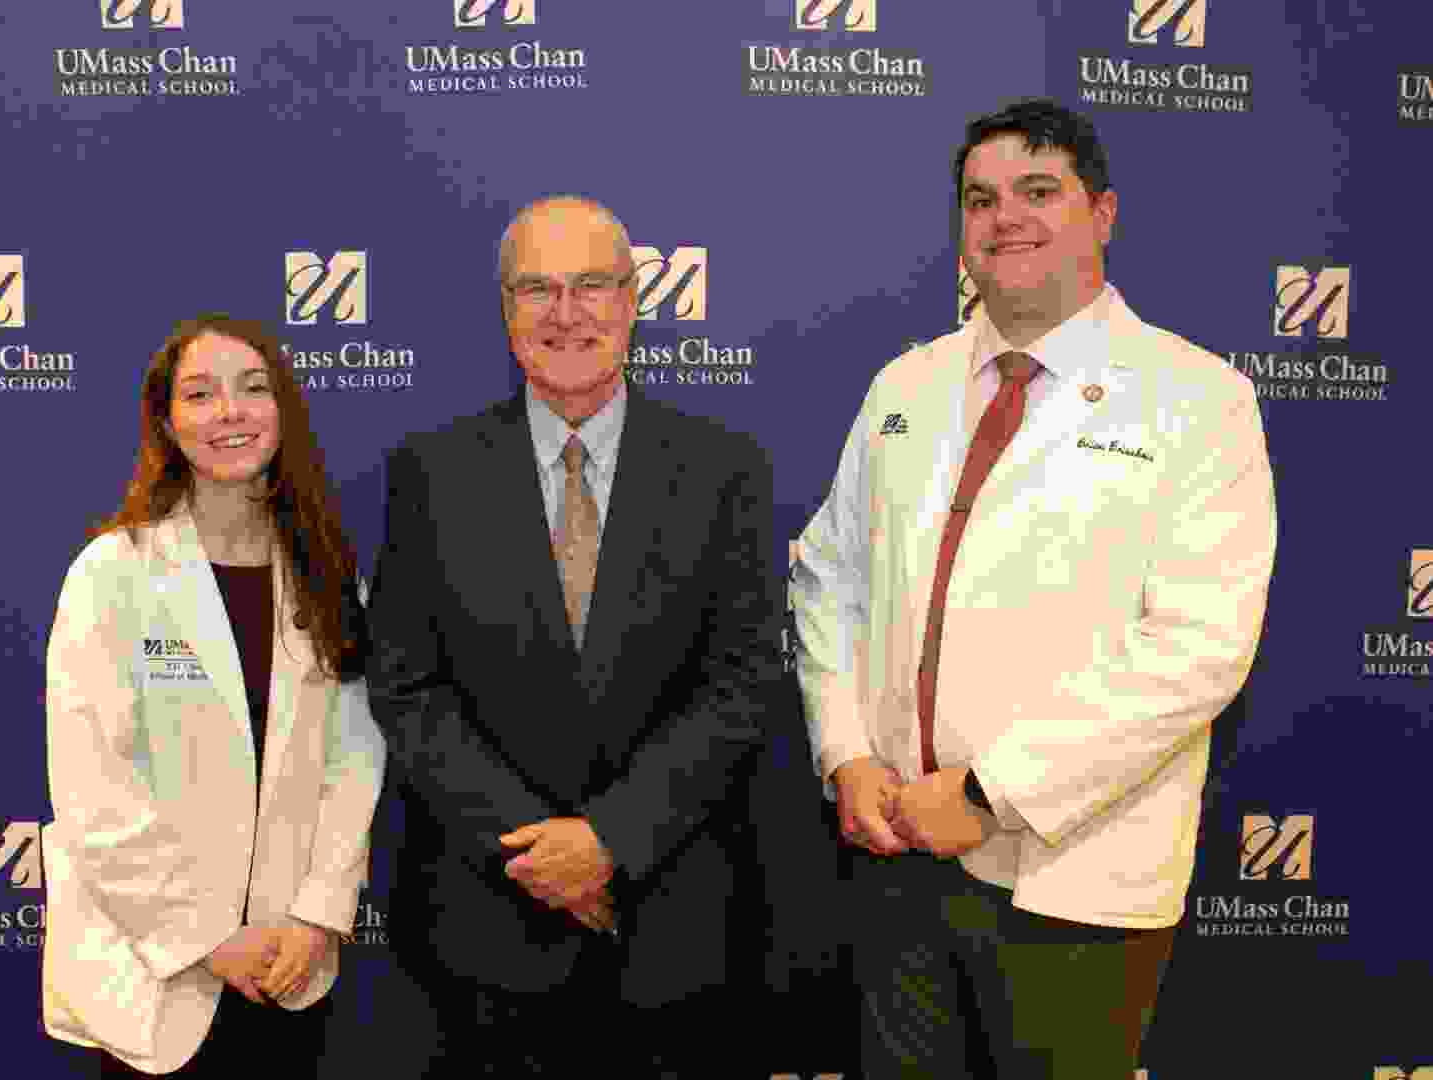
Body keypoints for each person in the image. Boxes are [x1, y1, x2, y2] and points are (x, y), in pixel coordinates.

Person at [791, 99, 1277, 1078]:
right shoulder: (905, 389)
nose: (1004, 217)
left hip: (1074, 887)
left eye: (1038, 191)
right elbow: (826, 579)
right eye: (981, 198)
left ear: (1102, 213)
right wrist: (846, 755)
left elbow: (1194, 650)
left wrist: (987, 794)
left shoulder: (1200, 400)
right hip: (897, 867)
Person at [365, 195, 783, 1077]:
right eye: (537, 289)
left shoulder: (725, 471)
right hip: (484, 930)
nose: (567, 313)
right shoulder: (429, 474)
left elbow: (741, 682)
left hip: (675, 930)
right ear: (505, 310)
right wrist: (536, 847)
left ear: (634, 300)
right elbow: (408, 686)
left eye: (593, 285)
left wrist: (611, 840)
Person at [41, 314, 386, 1075]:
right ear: (167, 422)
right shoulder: (114, 573)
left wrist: (317, 916)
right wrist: (204, 938)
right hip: (157, 977)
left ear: (283, 412)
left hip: (287, 970)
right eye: (200, 394)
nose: (230, 412)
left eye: (252, 389)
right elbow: (94, 787)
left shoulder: (326, 573)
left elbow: (354, 760)